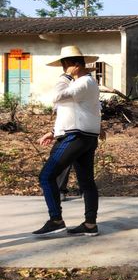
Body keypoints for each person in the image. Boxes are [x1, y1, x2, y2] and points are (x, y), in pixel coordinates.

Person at [34, 45, 104, 236]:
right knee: (86, 182)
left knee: (46, 176)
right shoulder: (84, 85)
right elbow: (71, 111)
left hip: (76, 136)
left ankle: (56, 219)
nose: (63, 71)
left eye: (64, 66)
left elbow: (56, 97)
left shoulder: (83, 83)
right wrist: (53, 132)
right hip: (84, 136)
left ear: (73, 65)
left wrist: (64, 78)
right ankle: (90, 225)